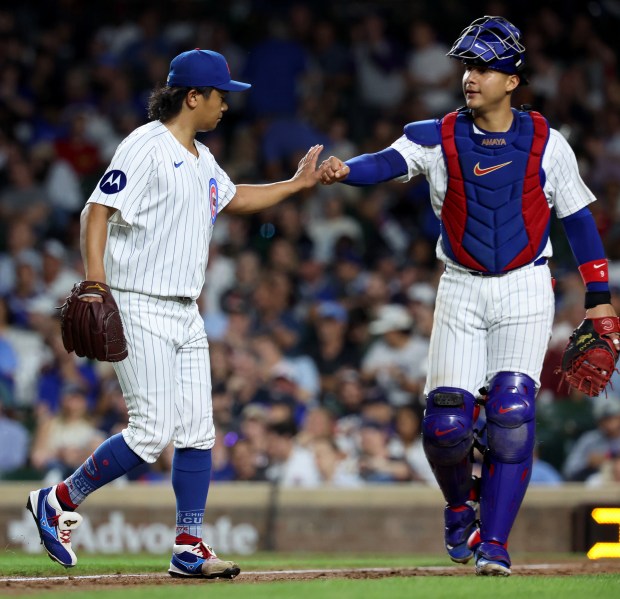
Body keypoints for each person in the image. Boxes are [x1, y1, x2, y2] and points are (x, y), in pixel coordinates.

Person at [319, 15, 618, 576]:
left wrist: (599, 296)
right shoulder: (435, 135)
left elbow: (578, 220)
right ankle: (461, 509)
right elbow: (385, 162)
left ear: (512, 80)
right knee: (446, 424)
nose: (470, 77)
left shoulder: (548, 143)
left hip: (527, 285)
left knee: (511, 413)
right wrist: (344, 170)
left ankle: (496, 545)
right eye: (467, 67)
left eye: (483, 68)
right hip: (460, 287)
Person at [26, 48, 323, 580]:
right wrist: (96, 283)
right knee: (148, 433)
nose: (226, 106)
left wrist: (297, 185)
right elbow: (97, 210)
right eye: (220, 95)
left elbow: (236, 198)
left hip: (186, 312)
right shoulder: (146, 145)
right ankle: (59, 499)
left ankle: (189, 545)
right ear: (193, 96)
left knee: (198, 432)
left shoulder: (202, 158)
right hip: (138, 300)